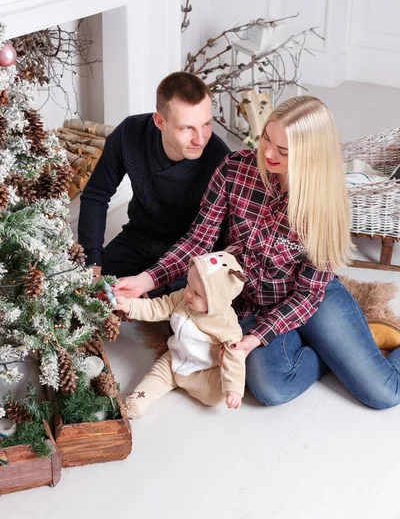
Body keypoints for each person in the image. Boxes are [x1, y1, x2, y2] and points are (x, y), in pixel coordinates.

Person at [114, 95, 400, 410]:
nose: (267, 152)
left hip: (310, 297)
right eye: (266, 137)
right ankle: (326, 351)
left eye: (283, 150)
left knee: (383, 394)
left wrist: (257, 339)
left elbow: (307, 295)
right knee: (270, 388)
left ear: (310, 155)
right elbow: (199, 241)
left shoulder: (326, 204)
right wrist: (146, 280)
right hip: (248, 303)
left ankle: (349, 339)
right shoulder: (234, 169)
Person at [78, 71, 230, 279]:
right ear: (159, 122)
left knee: (157, 307)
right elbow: (96, 195)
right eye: (186, 128)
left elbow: (217, 239)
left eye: (206, 124)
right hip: (138, 238)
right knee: (90, 294)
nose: (200, 139)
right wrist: (92, 259)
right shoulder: (129, 134)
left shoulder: (221, 159)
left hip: (190, 255)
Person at [114, 250, 247, 418]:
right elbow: (156, 307)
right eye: (188, 284)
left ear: (216, 300)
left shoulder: (226, 324)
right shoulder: (182, 299)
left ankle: (213, 386)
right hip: (174, 357)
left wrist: (233, 389)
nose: (188, 293)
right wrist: (130, 305)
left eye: (197, 293)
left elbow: (235, 357)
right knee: (154, 376)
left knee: (214, 396)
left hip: (202, 369)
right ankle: (136, 402)